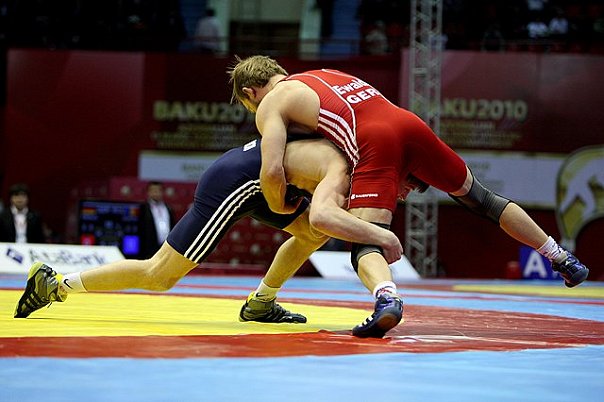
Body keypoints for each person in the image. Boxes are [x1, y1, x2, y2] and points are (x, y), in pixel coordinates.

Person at [227, 55, 590, 337]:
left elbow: (271, 169)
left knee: (365, 242)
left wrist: (280, 206)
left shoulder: (272, 102)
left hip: (374, 140)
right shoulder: (323, 74)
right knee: (483, 199)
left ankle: (387, 298)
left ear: (250, 93)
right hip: (409, 123)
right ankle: (561, 257)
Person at [14, 138, 401, 330]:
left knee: (311, 232)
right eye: (407, 188)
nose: (403, 195)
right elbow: (328, 215)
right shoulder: (354, 166)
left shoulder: (353, 147)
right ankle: (57, 284)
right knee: (159, 275)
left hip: (255, 174)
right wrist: (381, 236)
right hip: (240, 182)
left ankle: (261, 302)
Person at [139, 181, 176, 259]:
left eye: (158, 190)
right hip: (149, 250)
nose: (156, 193)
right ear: (148, 192)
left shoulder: (168, 208)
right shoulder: (143, 209)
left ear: (162, 192)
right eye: (153, 190)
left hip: (167, 249)